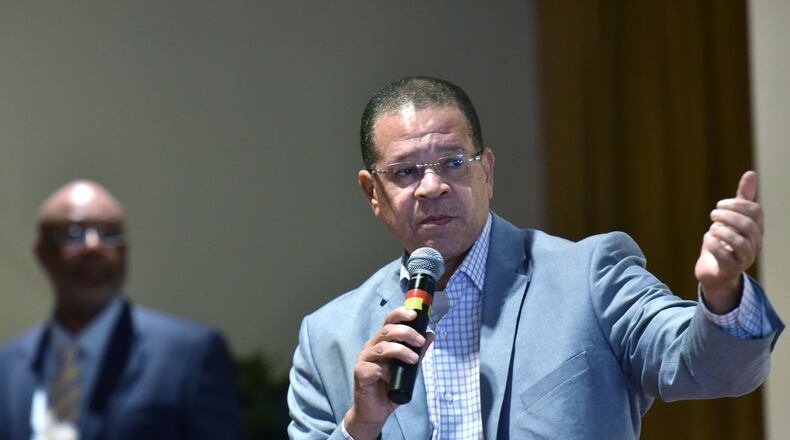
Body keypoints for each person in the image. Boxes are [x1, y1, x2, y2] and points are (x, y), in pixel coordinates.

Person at [287, 76, 785, 439]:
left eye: (453, 163)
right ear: (372, 193)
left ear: (487, 171)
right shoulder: (327, 338)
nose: (432, 186)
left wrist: (723, 295)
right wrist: (360, 427)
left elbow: (710, 369)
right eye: (406, 172)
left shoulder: (588, 278)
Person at [0, 180, 245, 440]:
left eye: (109, 233)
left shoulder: (189, 356)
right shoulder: (7, 367)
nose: (93, 246)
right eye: (74, 233)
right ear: (42, 253)